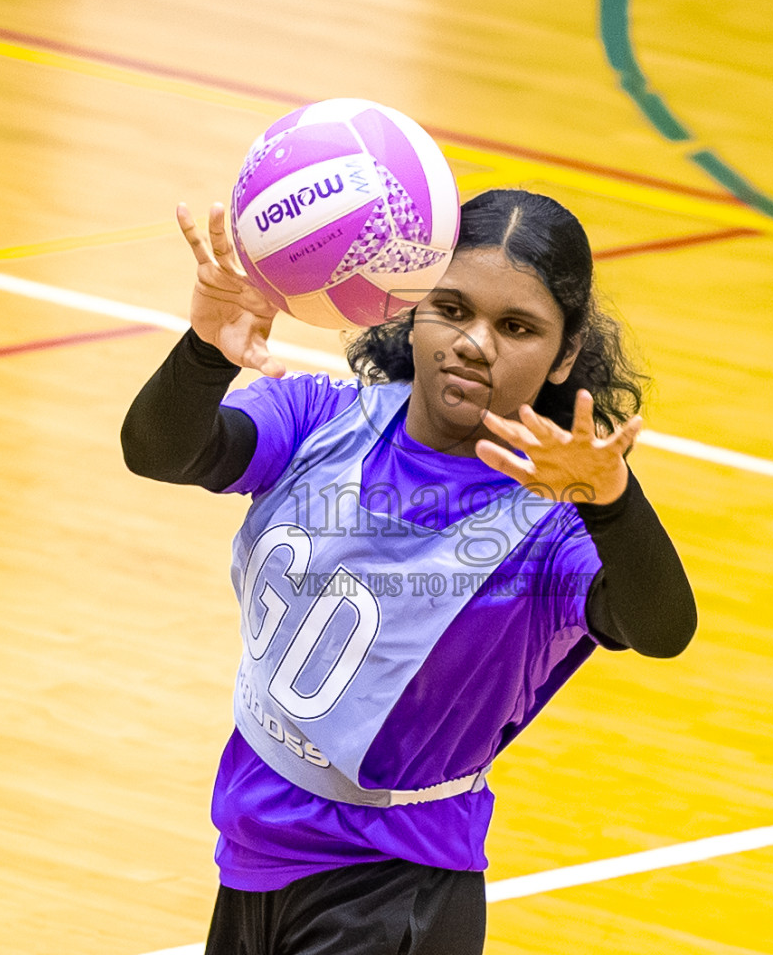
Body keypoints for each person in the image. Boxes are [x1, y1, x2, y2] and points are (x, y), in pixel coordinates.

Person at [122, 189, 697, 955]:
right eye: (452, 309)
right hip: (253, 849)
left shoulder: (550, 526)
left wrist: (613, 502)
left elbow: (662, 629)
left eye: (516, 327)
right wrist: (202, 352)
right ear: (414, 306)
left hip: (392, 892)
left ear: (564, 353)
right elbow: (161, 451)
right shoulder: (319, 420)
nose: (475, 344)